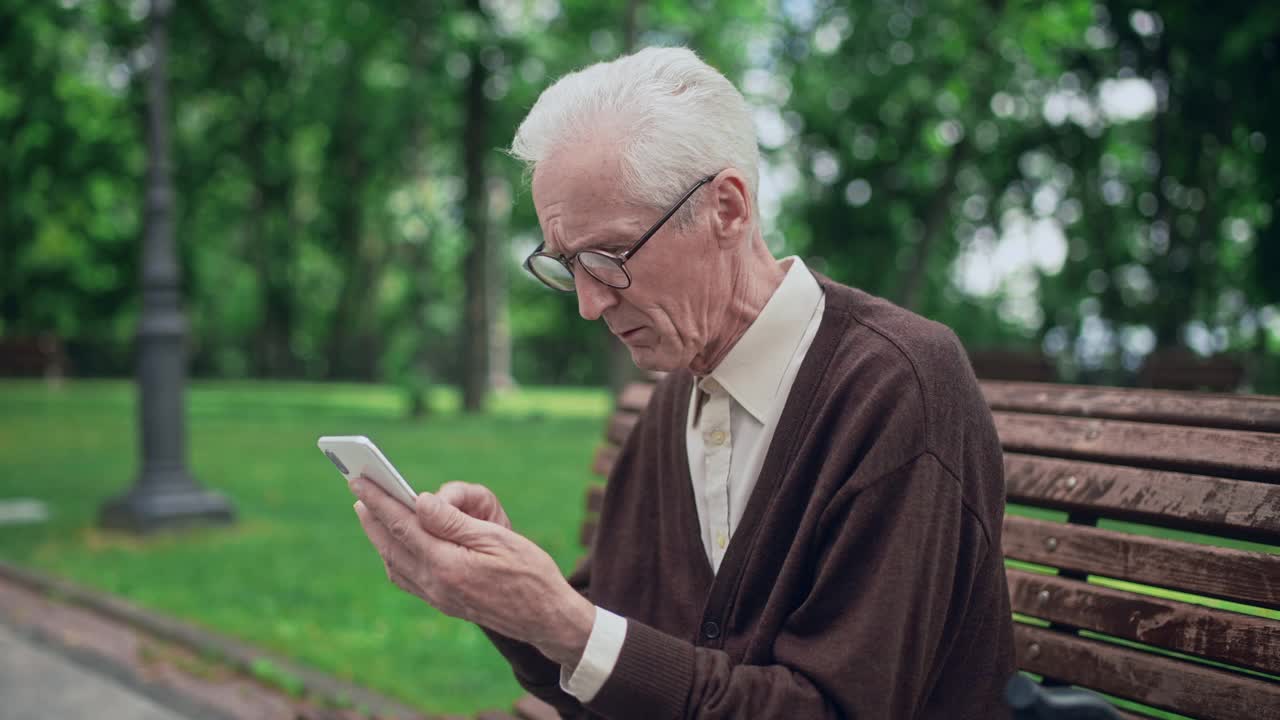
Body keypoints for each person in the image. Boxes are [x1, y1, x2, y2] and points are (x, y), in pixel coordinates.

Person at [347, 46, 1016, 719]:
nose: (587, 303)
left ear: (727, 208)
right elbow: (615, 682)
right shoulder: (676, 402)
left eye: (609, 256)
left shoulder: (899, 388)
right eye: (567, 265)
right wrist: (500, 593)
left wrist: (562, 624)